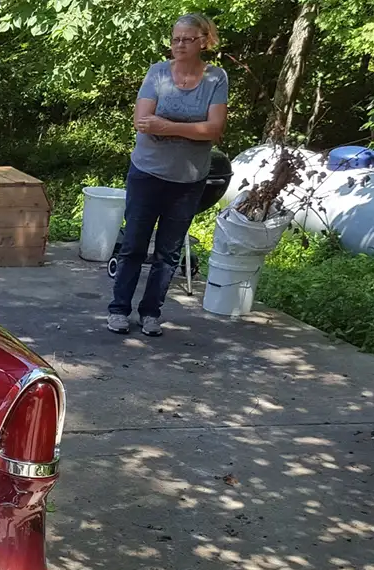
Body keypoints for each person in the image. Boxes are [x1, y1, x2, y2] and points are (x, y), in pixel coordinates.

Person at [107, 13, 228, 336]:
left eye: (187, 39)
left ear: (204, 41)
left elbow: (214, 130)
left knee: (168, 252)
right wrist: (189, 130)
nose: (179, 45)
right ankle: (119, 309)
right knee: (133, 243)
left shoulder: (216, 79)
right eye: (175, 38)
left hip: (188, 181)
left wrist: (168, 127)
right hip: (147, 173)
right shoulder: (157, 73)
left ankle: (151, 313)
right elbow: (143, 121)